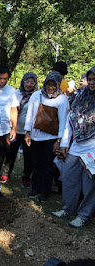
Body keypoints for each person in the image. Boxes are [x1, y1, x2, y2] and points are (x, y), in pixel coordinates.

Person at [52, 66, 95, 228]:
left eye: (94, 79)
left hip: (93, 149)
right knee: (69, 177)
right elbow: (70, 123)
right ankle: (69, 209)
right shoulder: (80, 98)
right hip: (76, 146)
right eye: (90, 79)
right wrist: (64, 143)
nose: (91, 82)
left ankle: (84, 215)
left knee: (89, 184)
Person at [24, 71, 69, 202]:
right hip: (36, 136)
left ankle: (45, 191)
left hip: (51, 138)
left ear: (58, 85)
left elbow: (63, 120)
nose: (50, 87)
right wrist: (28, 132)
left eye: (53, 85)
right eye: (48, 84)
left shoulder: (62, 99)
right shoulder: (37, 95)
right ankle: (35, 188)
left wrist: (59, 140)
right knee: (36, 163)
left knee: (48, 165)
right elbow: (30, 114)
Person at [0, 72, 38, 187]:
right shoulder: (16, 93)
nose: (29, 84)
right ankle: (6, 173)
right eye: (27, 81)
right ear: (23, 81)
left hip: (29, 131)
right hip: (14, 129)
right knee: (10, 154)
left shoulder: (36, 96)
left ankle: (26, 177)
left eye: (32, 82)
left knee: (28, 156)